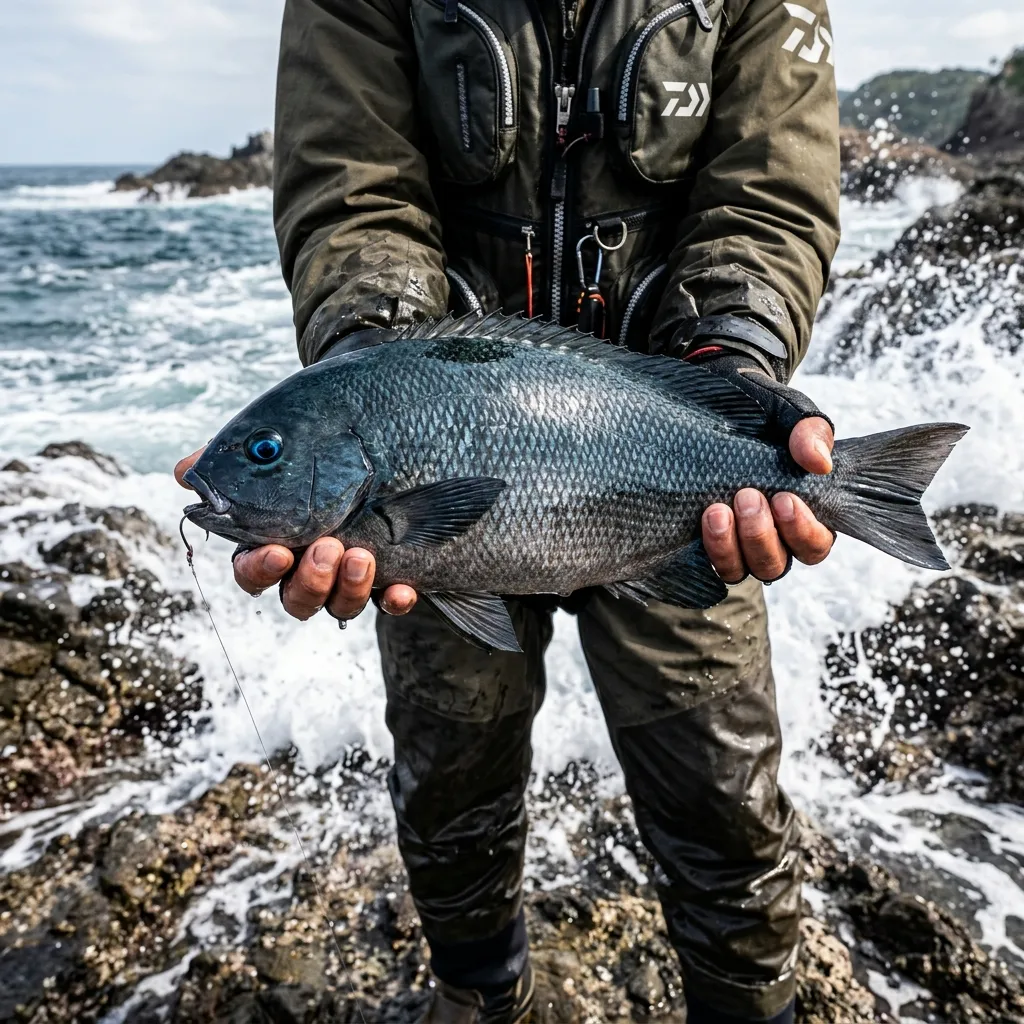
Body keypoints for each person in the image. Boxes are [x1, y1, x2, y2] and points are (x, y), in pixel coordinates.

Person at [176, 1, 840, 1020]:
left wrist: (734, 362)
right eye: (261, 458)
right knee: (450, 787)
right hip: (439, 450)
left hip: (656, 432)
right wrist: (370, 348)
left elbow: (770, 194)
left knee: (723, 797)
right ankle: (484, 995)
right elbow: (350, 187)